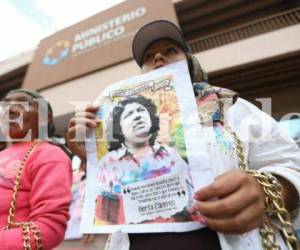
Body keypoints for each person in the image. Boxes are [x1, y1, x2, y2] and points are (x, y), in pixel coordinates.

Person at [67, 20, 300, 250]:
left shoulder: (233, 108)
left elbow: (290, 163)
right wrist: (90, 155)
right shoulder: (116, 123)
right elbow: (109, 197)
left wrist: (267, 191)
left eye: (170, 50)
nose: (158, 58)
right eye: (148, 56)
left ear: (189, 62)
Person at [95, 95, 193, 225]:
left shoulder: (169, 154)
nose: (137, 116)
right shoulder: (108, 163)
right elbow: (103, 216)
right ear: (118, 129)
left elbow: (192, 197)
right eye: (129, 114)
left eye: (141, 111)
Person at [0, 89, 72, 250]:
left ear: (45, 117)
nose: (10, 110)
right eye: (5, 106)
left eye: (21, 104)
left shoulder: (49, 154)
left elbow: (49, 228)